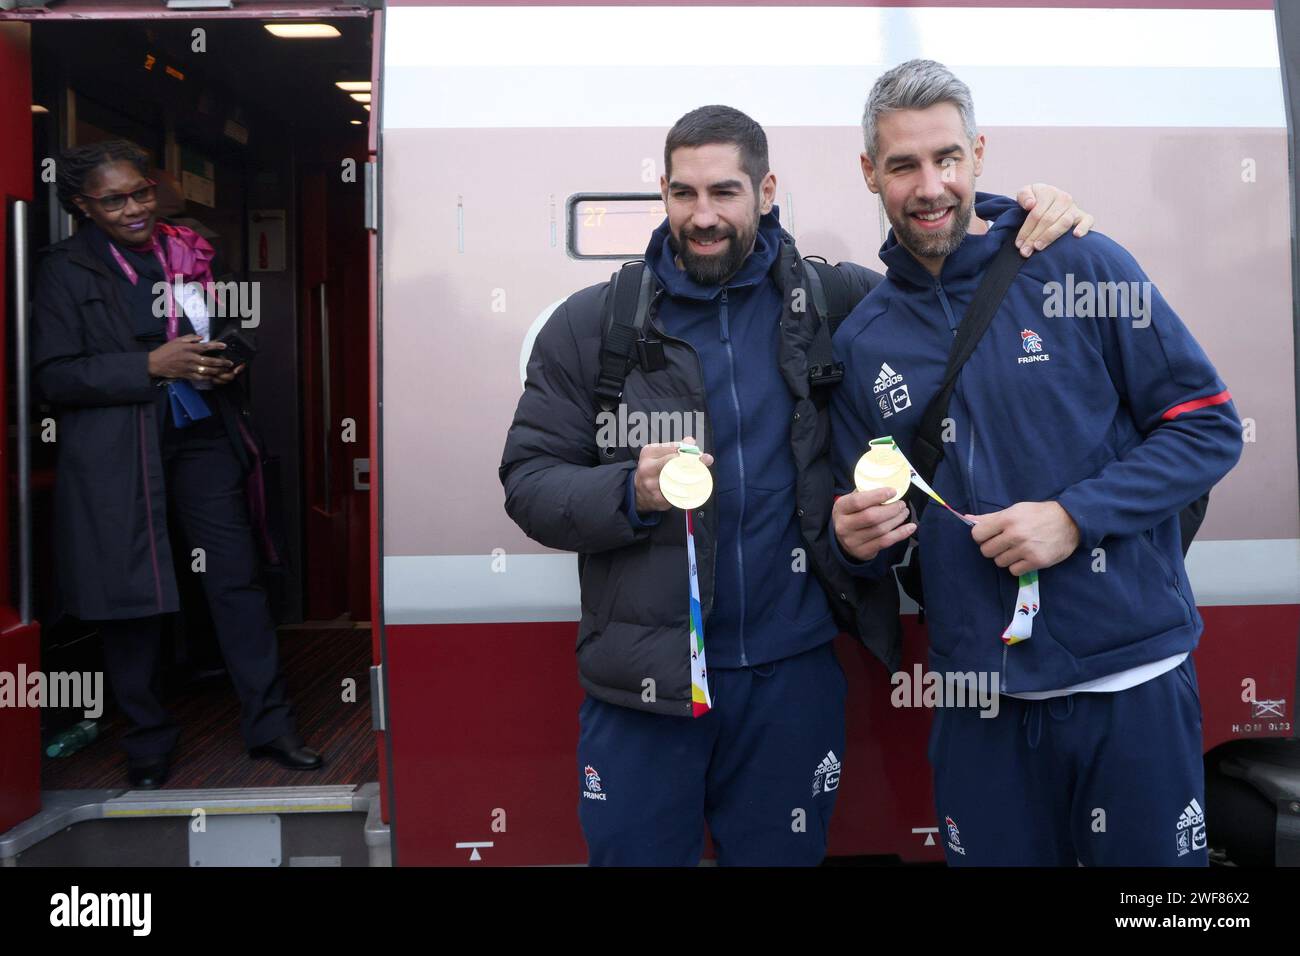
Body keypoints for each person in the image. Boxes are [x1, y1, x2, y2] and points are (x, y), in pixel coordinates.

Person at [501, 105, 1088, 866]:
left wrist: (1032, 217)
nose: (702, 216)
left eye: (725, 192)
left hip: (792, 677)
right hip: (644, 687)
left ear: (767, 189)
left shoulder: (838, 303)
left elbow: (957, 298)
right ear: (664, 194)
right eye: (683, 194)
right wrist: (628, 493)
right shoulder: (594, 326)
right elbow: (529, 481)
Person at [831, 60, 1243, 866]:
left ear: (979, 154)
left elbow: (1207, 428)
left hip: (1131, 679)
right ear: (870, 172)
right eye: (904, 164)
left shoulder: (1080, 262)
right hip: (978, 699)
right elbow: (888, 522)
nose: (930, 185)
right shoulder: (863, 340)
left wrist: (1073, 518)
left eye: (946, 157)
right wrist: (858, 536)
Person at [32, 140, 322, 788]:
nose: (135, 208)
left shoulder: (189, 250)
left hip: (200, 435)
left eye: (141, 192)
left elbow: (223, 327)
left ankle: (271, 728)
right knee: (131, 594)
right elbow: (53, 375)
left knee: (236, 579)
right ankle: (148, 743)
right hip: (117, 450)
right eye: (115, 199)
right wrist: (147, 366)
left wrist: (231, 356)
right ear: (83, 205)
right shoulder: (64, 270)